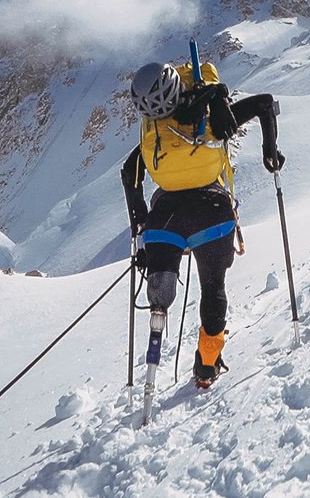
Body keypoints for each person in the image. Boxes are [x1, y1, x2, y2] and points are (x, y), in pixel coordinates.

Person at [121, 61, 284, 387]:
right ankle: (207, 366)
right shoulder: (210, 118)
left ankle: (151, 369)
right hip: (212, 212)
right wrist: (270, 153)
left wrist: (140, 229)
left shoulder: (154, 134)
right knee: (213, 288)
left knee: (160, 290)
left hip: (165, 217)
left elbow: (129, 175)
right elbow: (264, 103)